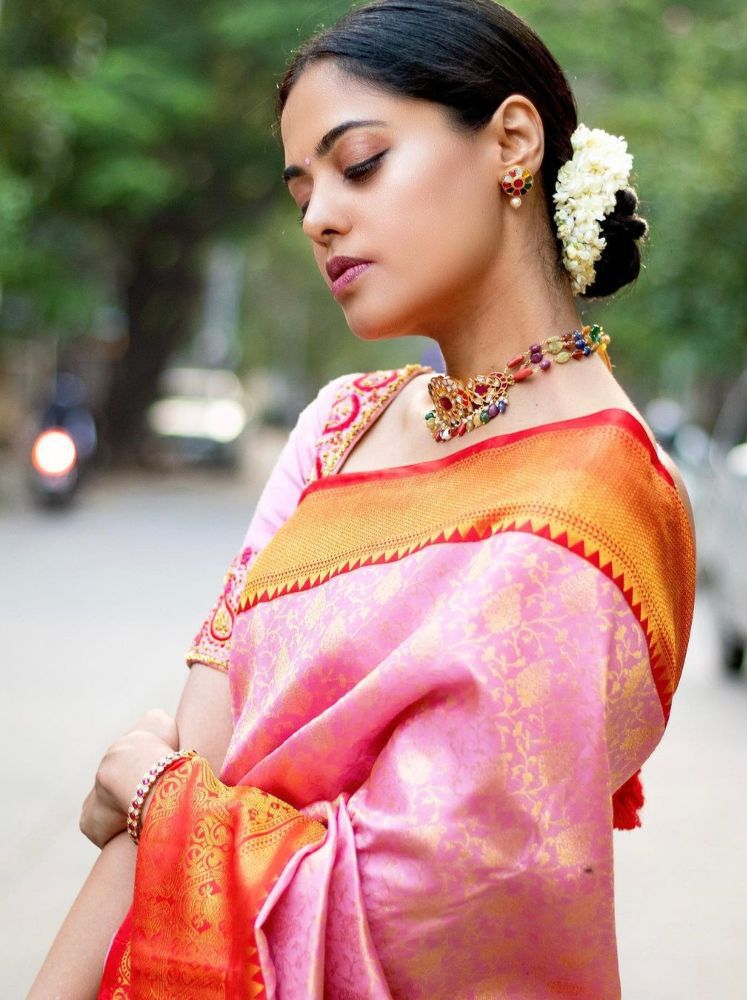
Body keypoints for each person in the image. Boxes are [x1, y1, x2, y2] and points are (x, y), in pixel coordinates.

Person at [30, 1, 696, 997]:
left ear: (511, 142)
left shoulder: (594, 500)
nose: (317, 217)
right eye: (300, 188)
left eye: (361, 164)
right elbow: (189, 768)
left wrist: (158, 801)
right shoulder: (340, 424)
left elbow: (444, 904)